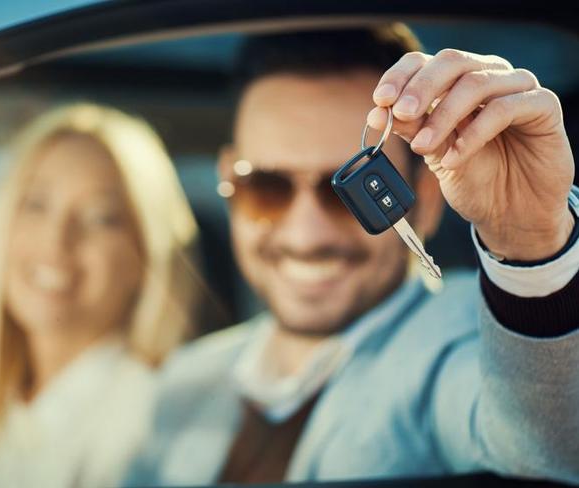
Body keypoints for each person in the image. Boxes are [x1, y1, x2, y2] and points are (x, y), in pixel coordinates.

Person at [125, 25, 579, 485]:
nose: (305, 234)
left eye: (341, 192)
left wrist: (530, 241)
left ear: (426, 196)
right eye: (267, 187)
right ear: (230, 183)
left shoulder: (463, 336)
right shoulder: (183, 381)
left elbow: (548, 448)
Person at [0, 103, 202, 488]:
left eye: (99, 217)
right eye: (36, 205)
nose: (56, 242)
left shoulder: (156, 420)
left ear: (144, 256)